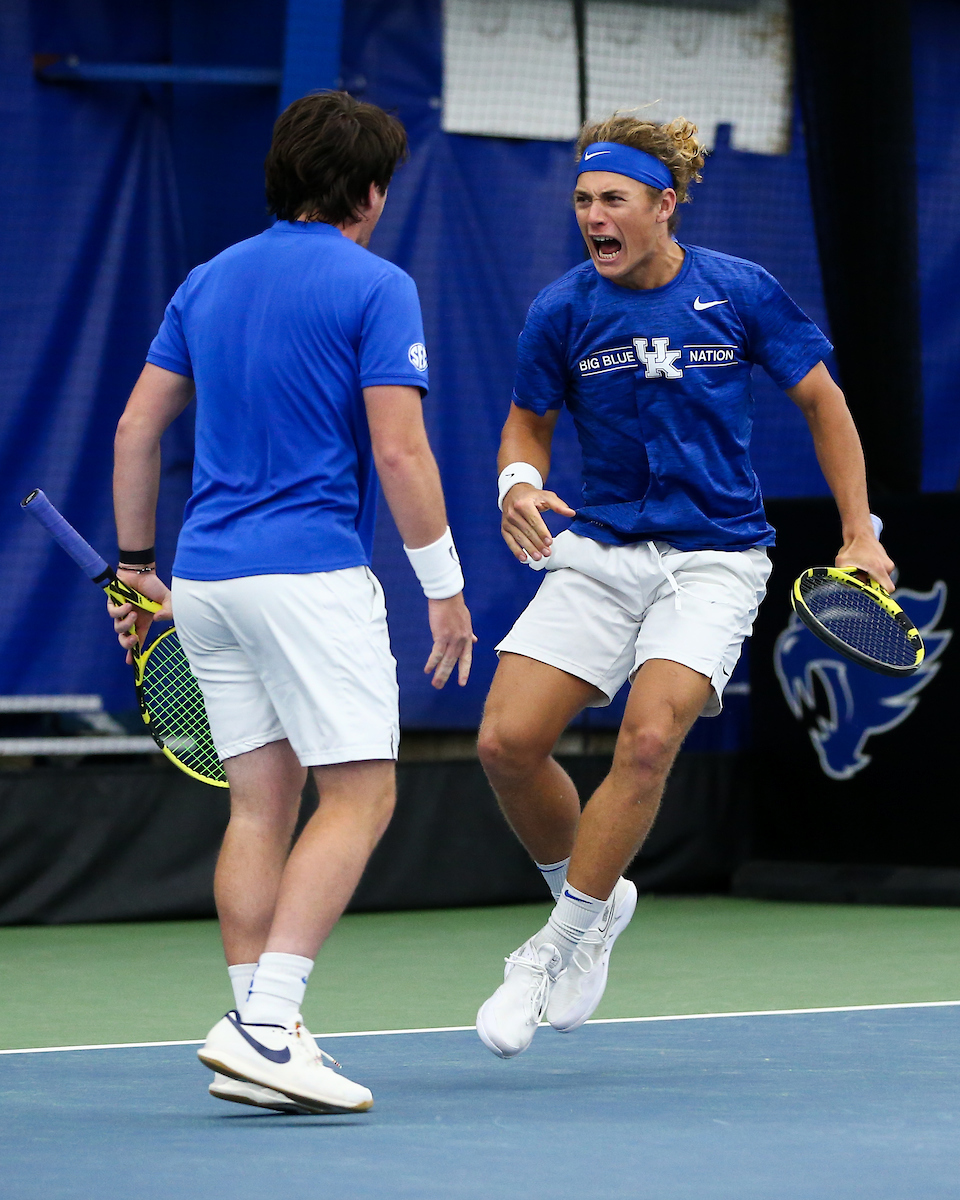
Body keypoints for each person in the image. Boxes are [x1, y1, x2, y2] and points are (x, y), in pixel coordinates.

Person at [474, 113, 894, 1058]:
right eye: (582, 201)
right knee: (506, 743)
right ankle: (594, 900)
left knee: (653, 733)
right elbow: (526, 425)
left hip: (715, 557)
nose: (593, 217)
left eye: (612, 199)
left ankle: (549, 954)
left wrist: (858, 534)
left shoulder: (739, 292)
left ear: (664, 206)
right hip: (603, 549)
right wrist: (518, 484)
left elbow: (826, 404)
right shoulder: (562, 309)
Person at [109, 91, 475, 1112]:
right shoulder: (378, 285)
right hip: (308, 577)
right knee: (362, 795)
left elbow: (137, 432)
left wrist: (139, 567)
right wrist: (444, 591)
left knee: (262, 806)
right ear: (370, 192)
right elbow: (400, 450)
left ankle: (259, 1032)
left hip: (210, 581)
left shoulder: (207, 281)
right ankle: (267, 1024)